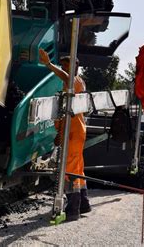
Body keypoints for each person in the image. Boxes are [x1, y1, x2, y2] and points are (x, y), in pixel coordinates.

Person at [38, 49, 91, 221]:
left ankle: (73, 209)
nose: (64, 69)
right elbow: (64, 112)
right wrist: (59, 132)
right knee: (78, 167)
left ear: (76, 67)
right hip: (72, 132)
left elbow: (66, 77)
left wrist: (48, 64)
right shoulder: (71, 85)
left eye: (67, 66)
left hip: (74, 133)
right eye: (63, 66)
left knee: (70, 169)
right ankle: (84, 203)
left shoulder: (75, 82)